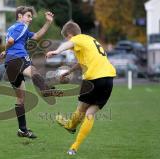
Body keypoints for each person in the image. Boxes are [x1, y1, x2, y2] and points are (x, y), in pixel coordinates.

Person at [46, 21, 116, 155]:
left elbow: (68, 43)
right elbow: (82, 62)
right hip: (108, 79)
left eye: (66, 37)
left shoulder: (77, 38)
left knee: (81, 109)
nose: (68, 41)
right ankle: (74, 147)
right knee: (90, 114)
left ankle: (70, 126)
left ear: (70, 35)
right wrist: (68, 71)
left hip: (93, 79)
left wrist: (57, 51)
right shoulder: (90, 40)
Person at [0, 6, 61, 139]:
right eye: (28, 15)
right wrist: (6, 49)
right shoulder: (21, 26)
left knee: (21, 99)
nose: (30, 18)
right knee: (33, 71)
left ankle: (22, 130)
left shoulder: (15, 29)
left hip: (9, 64)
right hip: (18, 58)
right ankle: (46, 90)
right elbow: (10, 41)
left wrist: (48, 22)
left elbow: (37, 36)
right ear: (20, 16)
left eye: (31, 16)